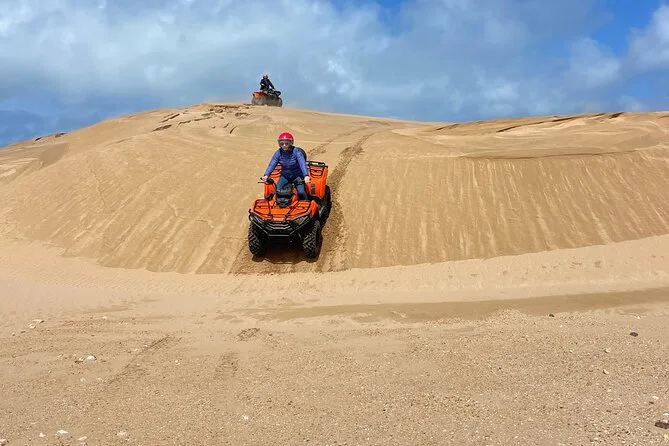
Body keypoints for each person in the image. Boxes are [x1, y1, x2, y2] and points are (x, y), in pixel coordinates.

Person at [261, 132, 310, 200]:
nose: (284, 145)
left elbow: (302, 163)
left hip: (297, 176)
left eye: (286, 143)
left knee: (301, 192)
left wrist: (306, 175)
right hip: (285, 176)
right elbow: (272, 164)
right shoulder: (278, 153)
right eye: (282, 143)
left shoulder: (296, 152)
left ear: (291, 143)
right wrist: (266, 175)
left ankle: (307, 202)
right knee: (276, 191)